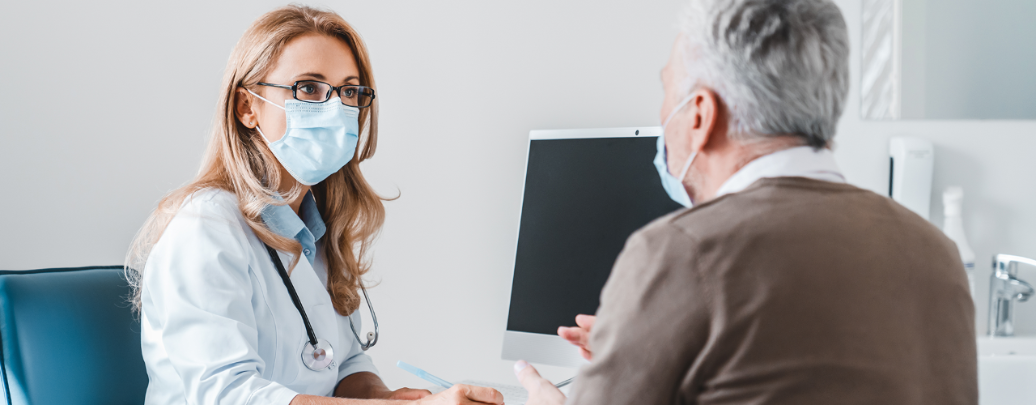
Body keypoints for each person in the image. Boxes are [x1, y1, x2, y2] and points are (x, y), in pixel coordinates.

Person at [514, 0, 978, 404]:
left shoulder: (680, 252)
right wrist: (635, 347)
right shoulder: (936, 254)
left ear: (700, 115)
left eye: (666, 91)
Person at [125, 5, 503, 405]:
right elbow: (230, 395)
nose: (335, 108)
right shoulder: (205, 228)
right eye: (308, 88)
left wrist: (388, 397)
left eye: (350, 91)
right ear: (246, 107)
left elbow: (342, 364)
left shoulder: (315, 229)